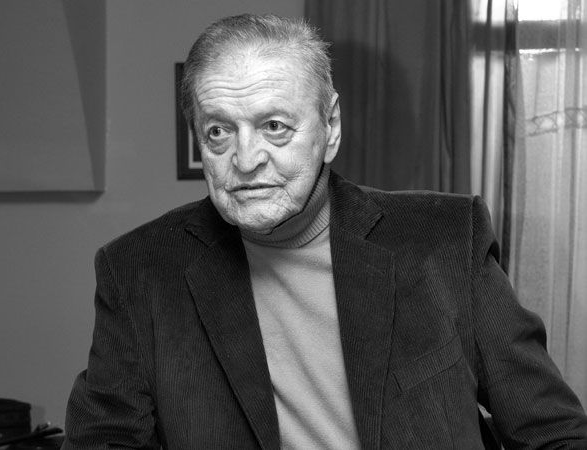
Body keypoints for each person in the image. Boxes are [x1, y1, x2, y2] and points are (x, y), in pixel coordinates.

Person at [62, 13, 587, 449]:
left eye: (274, 127)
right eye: (219, 131)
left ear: (330, 127)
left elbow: (555, 435)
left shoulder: (446, 239)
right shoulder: (138, 271)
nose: (245, 159)